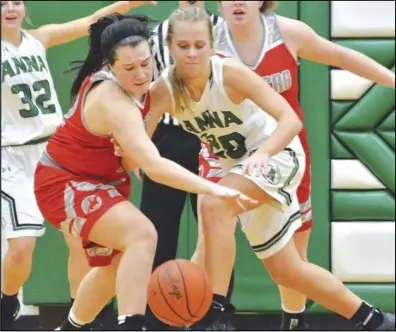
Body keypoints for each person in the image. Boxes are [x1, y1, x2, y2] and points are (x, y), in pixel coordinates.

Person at [113, 6, 395, 331]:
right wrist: (127, 147)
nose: (191, 54)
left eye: (199, 46)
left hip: (277, 152)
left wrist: (263, 155)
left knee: (213, 204)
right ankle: (375, 320)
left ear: (211, 45)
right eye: (183, 47)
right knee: (287, 271)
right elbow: (136, 157)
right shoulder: (163, 91)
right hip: (235, 165)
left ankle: (216, 308)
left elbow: (289, 119)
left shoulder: (230, 72)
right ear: (170, 48)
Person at [33, 13, 255, 331]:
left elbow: (134, 160)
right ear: (110, 66)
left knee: (115, 268)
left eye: (145, 63)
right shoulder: (112, 100)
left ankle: (70, 328)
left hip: (101, 182)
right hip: (65, 182)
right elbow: (153, 166)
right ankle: (133, 325)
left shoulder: (146, 88)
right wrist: (215, 188)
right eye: (129, 68)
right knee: (143, 234)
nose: (140, 74)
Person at [0, 1, 157, 330]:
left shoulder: (38, 39)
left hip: (54, 149)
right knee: (22, 248)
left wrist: (131, 3)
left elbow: (90, 21)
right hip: (11, 154)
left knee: (82, 244)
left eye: (16, 1)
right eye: (2, 3)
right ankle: (8, 298)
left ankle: (81, 319)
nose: (10, 8)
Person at [140, 1, 235, 330]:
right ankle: (156, 316)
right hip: (166, 138)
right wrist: (142, 145)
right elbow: (145, 91)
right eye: (184, 45)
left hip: (212, 135)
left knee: (217, 230)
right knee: (157, 231)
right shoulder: (155, 34)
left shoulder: (224, 29)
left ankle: (216, 314)